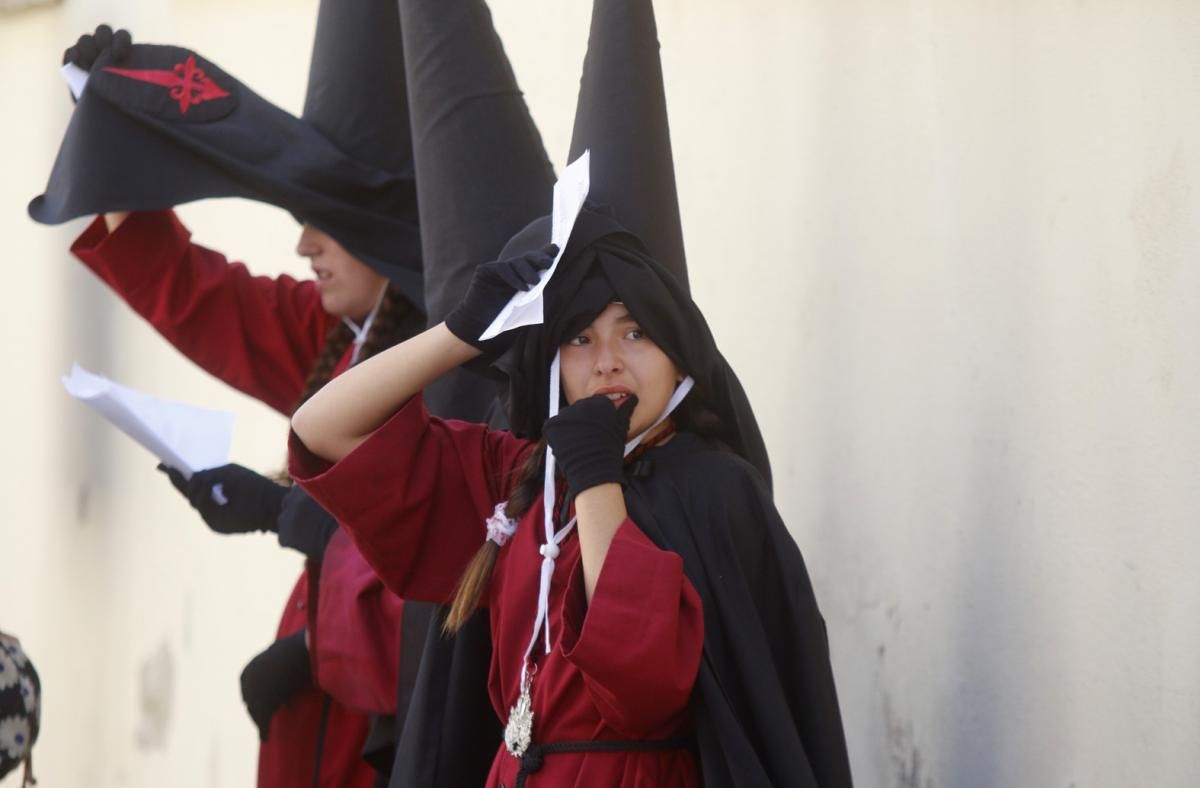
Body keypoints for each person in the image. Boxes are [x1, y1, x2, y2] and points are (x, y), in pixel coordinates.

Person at [43, 6, 424, 785]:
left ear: (390, 224)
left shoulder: (456, 375)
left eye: (328, 218)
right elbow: (193, 291)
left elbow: (445, 588)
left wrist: (309, 639)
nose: (303, 241)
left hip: (389, 729)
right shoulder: (341, 335)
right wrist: (115, 123)